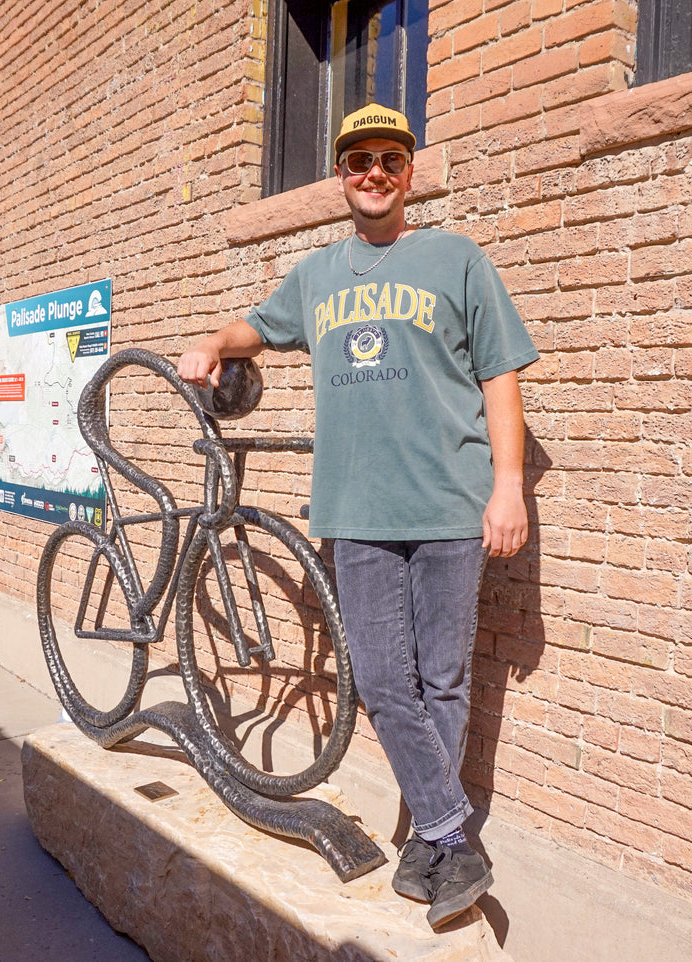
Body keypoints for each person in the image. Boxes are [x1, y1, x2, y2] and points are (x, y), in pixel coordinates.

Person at [178, 104, 537, 927]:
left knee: (443, 679)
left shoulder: (455, 259)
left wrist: (508, 486)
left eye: (388, 160)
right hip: (355, 509)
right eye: (356, 161)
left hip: (450, 504)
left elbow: (501, 376)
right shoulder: (315, 276)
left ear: (408, 174)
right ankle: (453, 833)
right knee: (379, 678)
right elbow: (255, 328)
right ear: (340, 177)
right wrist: (211, 340)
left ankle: (427, 844)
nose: (372, 173)